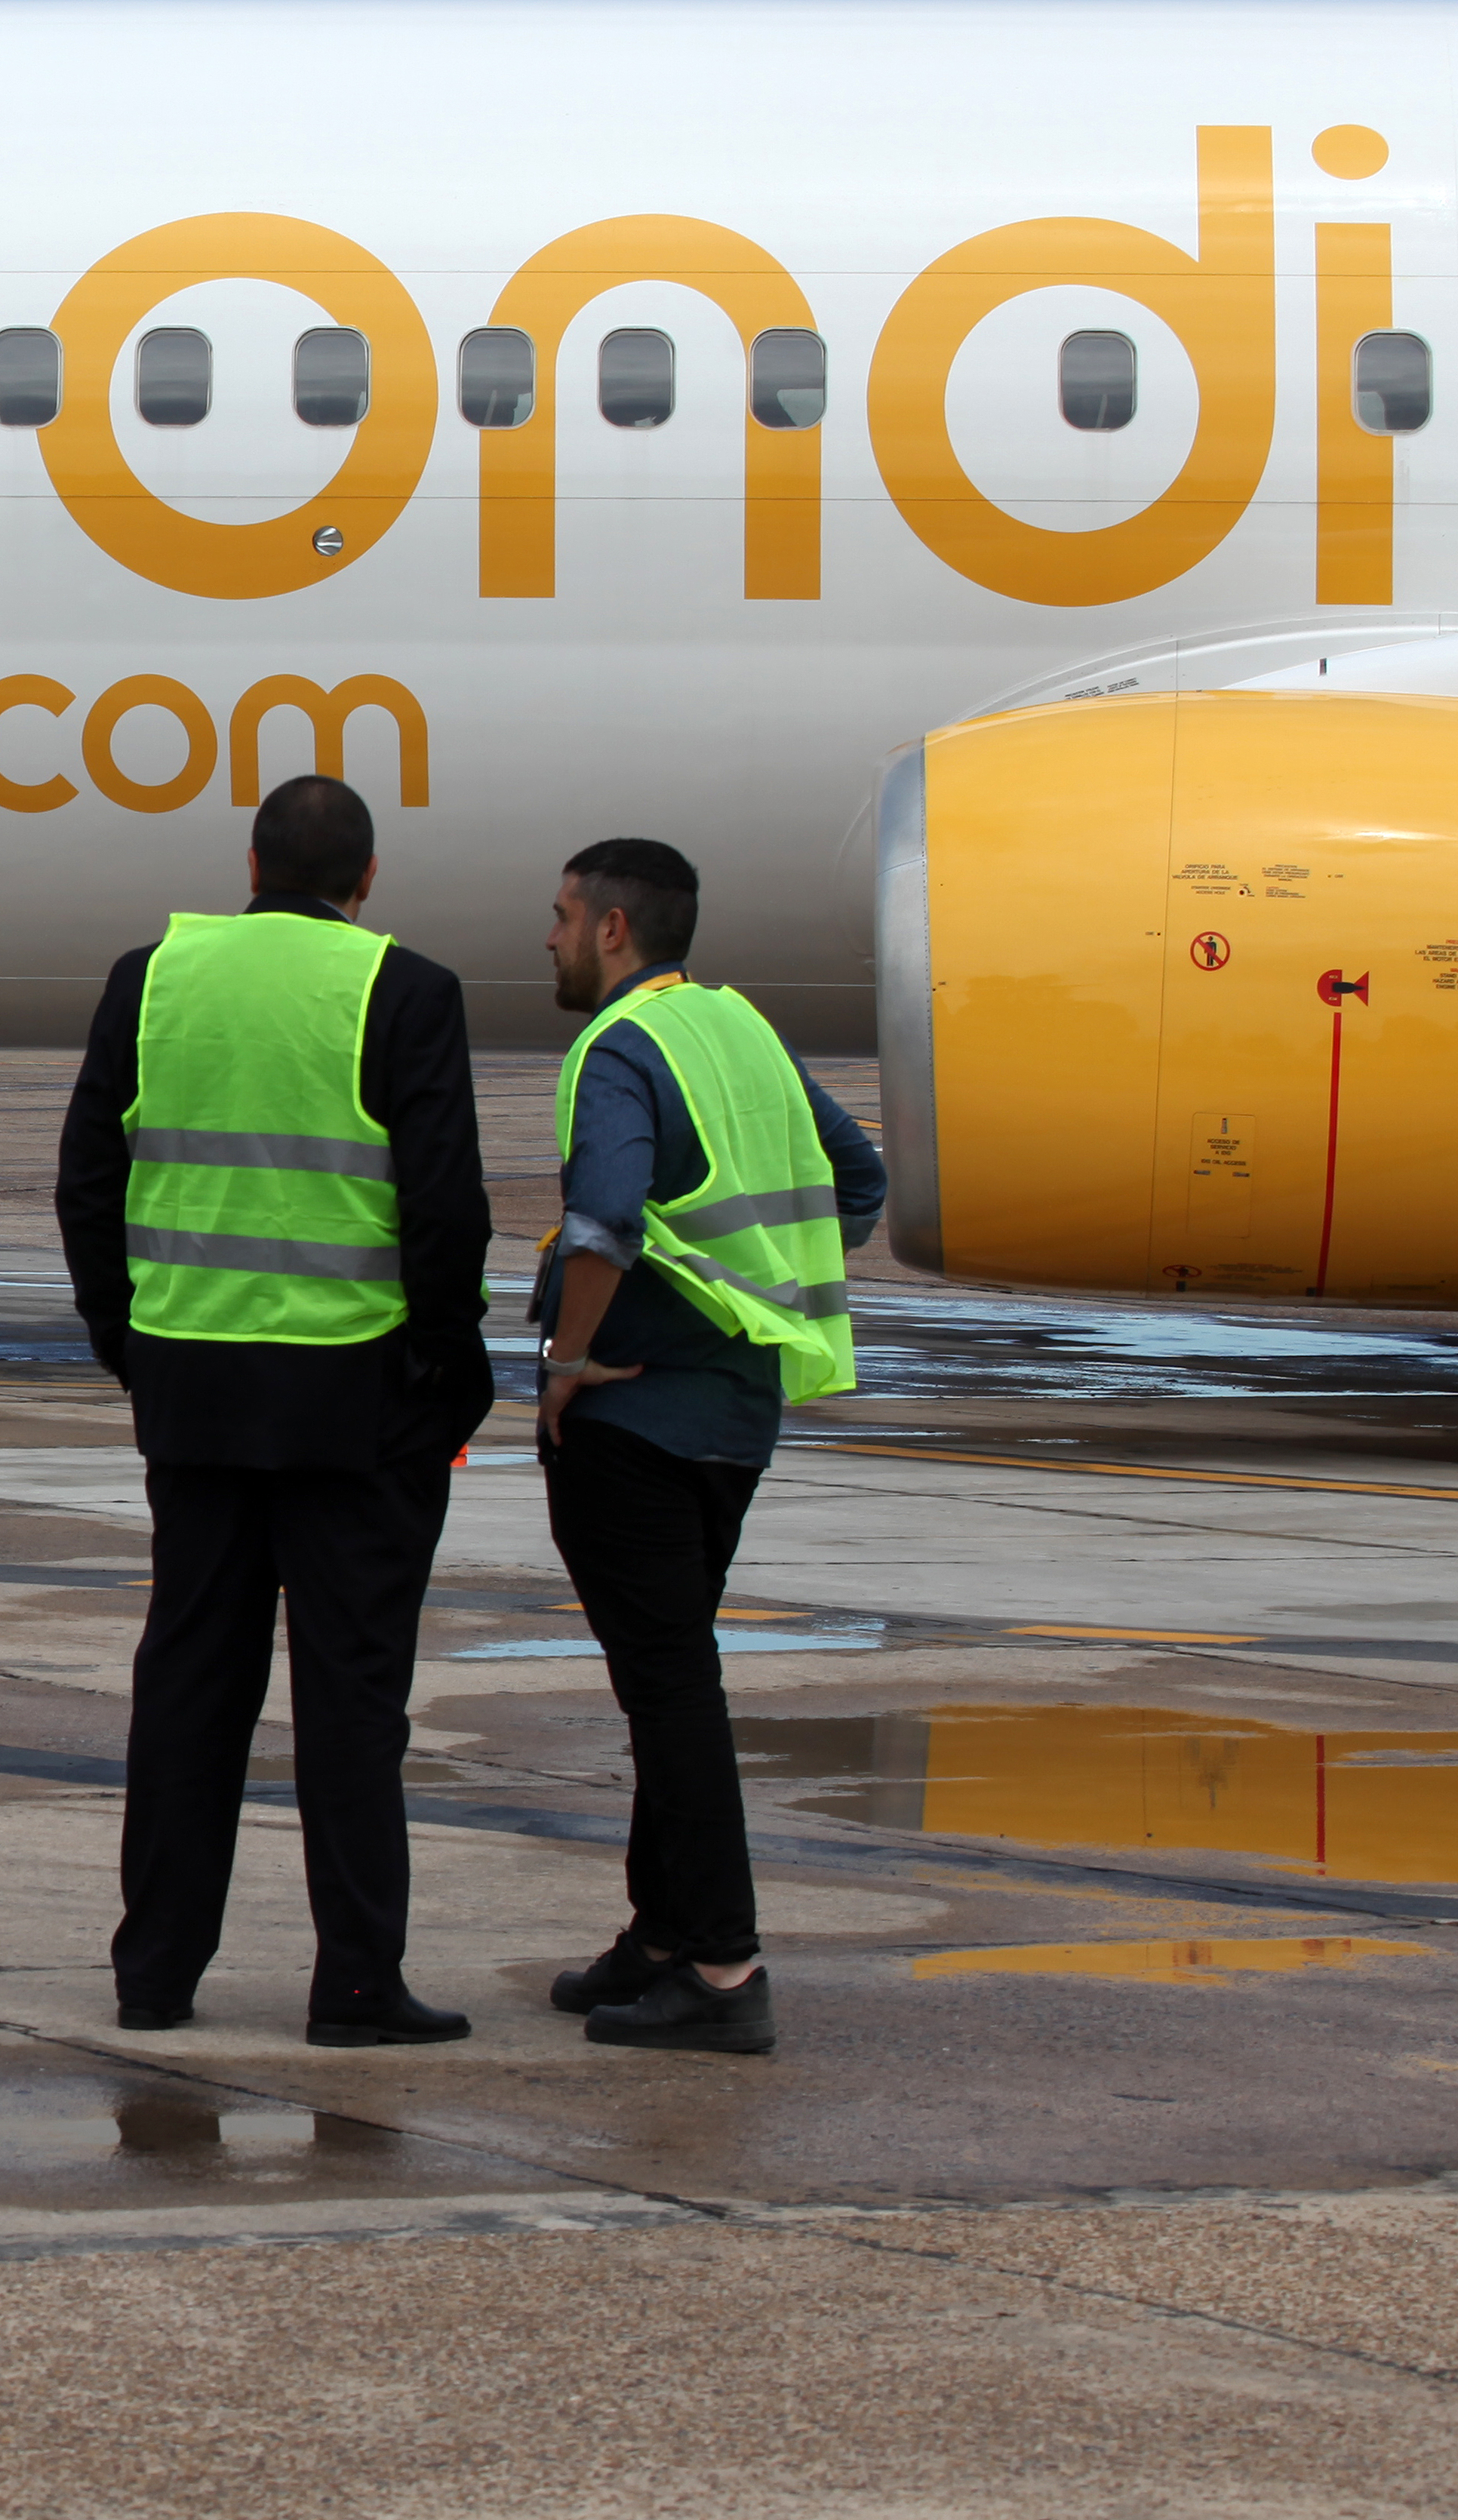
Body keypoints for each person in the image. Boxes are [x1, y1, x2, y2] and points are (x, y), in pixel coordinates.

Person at [53, 774, 491, 2048]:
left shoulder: (154, 975)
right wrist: (445, 1365)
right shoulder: (405, 987)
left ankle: (155, 1971)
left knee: (189, 1679)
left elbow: (87, 1175)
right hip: (353, 1398)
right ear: (365, 881)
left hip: (192, 1385)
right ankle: (355, 1980)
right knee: (352, 1698)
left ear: (248, 865)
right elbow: (444, 1205)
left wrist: (123, 1335)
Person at [534, 838, 884, 2058]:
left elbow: (604, 1215)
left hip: (633, 1415)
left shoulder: (620, 1047)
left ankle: (724, 1967)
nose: (553, 937)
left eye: (566, 916)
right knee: (664, 1674)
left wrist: (570, 1358)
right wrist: (752, 1289)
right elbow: (858, 1174)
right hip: (736, 1414)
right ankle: (662, 1934)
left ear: (615, 930)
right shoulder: (741, 1029)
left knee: (672, 1686)